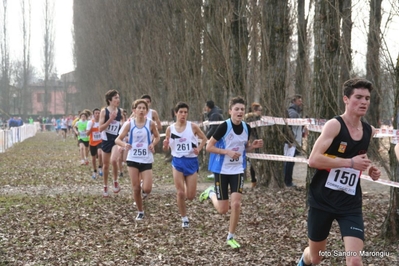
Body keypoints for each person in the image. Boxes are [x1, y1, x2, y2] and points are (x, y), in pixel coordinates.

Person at [297, 78, 381, 266]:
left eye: (367, 98)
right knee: (316, 258)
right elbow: (313, 160)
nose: (364, 102)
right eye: (358, 97)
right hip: (322, 200)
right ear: (346, 99)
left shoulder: (369, 131)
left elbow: (359, 155)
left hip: (349, 203)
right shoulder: (334, 125)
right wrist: (350, 163)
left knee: (354, 261)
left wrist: (369, 168)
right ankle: (304, 259)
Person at [199, 96, 264, 249]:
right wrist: (226, 152)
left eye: (242, 109)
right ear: (230, 111)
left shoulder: (247, 128)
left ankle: (231, 236)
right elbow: (209, 147)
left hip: (238, 170)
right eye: (236, 109)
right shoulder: (223, 127)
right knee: (223, 210)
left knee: (236, 204)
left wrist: (252, 146)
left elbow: (244, 148)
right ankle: (211, 193)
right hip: (222, 170)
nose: (239, 112)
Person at [163, 102, 208, 228]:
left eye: (185, 112)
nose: (183, 114)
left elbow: (204, 138)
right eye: (181, 112)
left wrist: (199, 148)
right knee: (180, 193)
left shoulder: (192, 127)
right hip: (177, 161)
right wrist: (165, 145)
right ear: (176, 113)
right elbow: (166, 148)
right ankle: (184, 218)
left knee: (191, 196)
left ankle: (200, 194)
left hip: (191, 161)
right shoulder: (170, 129)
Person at [115, 99, 160, 220]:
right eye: (139, 108)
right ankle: (140, 211)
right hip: (133, 158)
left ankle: (143, 184)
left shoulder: (150, 123)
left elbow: (157, 137)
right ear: (134, 110)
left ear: (146, 111)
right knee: (135, 188)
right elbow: (118, 139)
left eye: (143, 108)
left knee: (147, 189)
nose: (141, 110)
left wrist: (153, 144)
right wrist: (124, 145)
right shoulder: (129, 124)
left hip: (146, 158)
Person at [99, 90, 125, 197]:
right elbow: (100, 128)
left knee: (114, 160)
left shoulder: (121, 111)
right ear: (110, 100)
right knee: (105, 166)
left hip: (116, 140)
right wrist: (110, 119)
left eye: (118, 98)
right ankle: (105, 186)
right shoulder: (104, 111)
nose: (118, 100)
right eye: (115, 98)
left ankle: (115, 182)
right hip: (106, 140)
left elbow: (123, 125)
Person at [284, 94, 307, 187]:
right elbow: (288, 127)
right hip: (291, 142)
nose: (301, 102)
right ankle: (287, 181)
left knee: (291, 162)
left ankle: (288, 181)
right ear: (294, 102)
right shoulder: (292, 113)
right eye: (299, 101)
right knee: (288, 163)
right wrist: (290, 140)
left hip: (294, 141)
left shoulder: (297, 112)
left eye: (301, 100)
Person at [244, 102, 263, 188]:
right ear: (255, 110)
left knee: (255, 162)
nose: (261, 112)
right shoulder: (252, 119)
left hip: (255, 141)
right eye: (260, 110)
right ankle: (253, 180)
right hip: (253, 141)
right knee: (253, 162)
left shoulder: (258, 118)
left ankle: (255, 180)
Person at [87, 108, 103, 179]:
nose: (97, 114)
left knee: (100, 153)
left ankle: (100, 167)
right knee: (93, 158)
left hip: (100, 141)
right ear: (93, 114)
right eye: (96, 113)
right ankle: (94, 171)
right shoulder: (90, 122)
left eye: (98, 113)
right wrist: (91, 126)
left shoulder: (102, 122)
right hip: (92, 142)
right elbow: (87, 133)